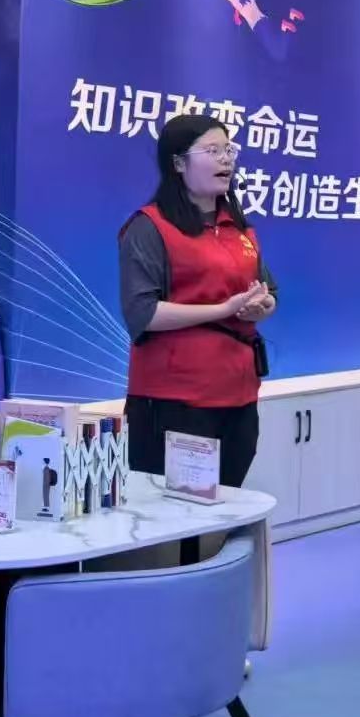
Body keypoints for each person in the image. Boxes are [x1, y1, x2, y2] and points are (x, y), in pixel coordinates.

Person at [119, 113, 277, 486]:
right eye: (212, 150)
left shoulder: (239, 228)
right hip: (176, 400)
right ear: (178, 163)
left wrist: (262, 305)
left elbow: (269, 290)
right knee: (176, 512)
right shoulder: (150, 226)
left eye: (229, 150)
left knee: (227, 506)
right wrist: (223, 309)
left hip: (239, 394)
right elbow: (142, 313)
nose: (226, 159)